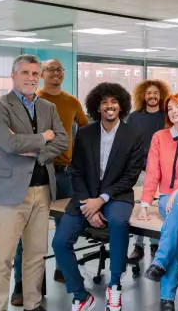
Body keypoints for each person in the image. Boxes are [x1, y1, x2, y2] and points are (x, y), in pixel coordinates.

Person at [0, 54, 68, 311]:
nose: (31, 78)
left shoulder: (48, 108)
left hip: (42, 191)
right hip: (9, 193)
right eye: (25, 73)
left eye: (35, 73)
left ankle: (33, 303)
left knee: (35, 254)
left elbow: (63, 141)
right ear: (13, 75)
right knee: (3, 258)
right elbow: (8, 144)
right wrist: (44, 136)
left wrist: (34, 150)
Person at [52, 82, 144, 311]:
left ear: (121, 106)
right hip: (85, 196)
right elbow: (77, 170)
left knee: (118, 221)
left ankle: (115, 286)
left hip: (117, 195)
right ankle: (80, 294)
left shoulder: (134, 135)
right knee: (60, 242)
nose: (109, 106)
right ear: (97, 107)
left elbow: (131, 176)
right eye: (104, 102)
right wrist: (87, 205)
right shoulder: (85, 133)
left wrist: (101, 200)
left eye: (114, 102)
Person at [11, 59, 89, 306]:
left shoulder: (72, 101)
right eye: (52, 70)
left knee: (67, 227)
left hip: (64, 173)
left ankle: (63, 269)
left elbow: (87, 132)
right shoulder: (31, 99)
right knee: (28, 232)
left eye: (61, 70)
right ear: (42, 74)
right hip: (35, 172)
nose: (57, 74)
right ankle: (24, 284)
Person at [140, 93, 178, 310]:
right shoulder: (159, 137)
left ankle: (161, 265)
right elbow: (152, 172)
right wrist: (145, 202)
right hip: (166, 199)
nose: (175, 111)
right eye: (171, 109)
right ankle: (166, 295)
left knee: (177, 220)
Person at [127, 79, 171, 260]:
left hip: (163, 170)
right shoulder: (135, 117)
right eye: (149, 93)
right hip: (140, 170)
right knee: (140, 206)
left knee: (157, 207)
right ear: (142, 96)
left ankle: (156, 244)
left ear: (161, 95)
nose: (152, 96)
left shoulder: (167, 116)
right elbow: (128, 142)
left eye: (155, 93)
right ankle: (138, 246)